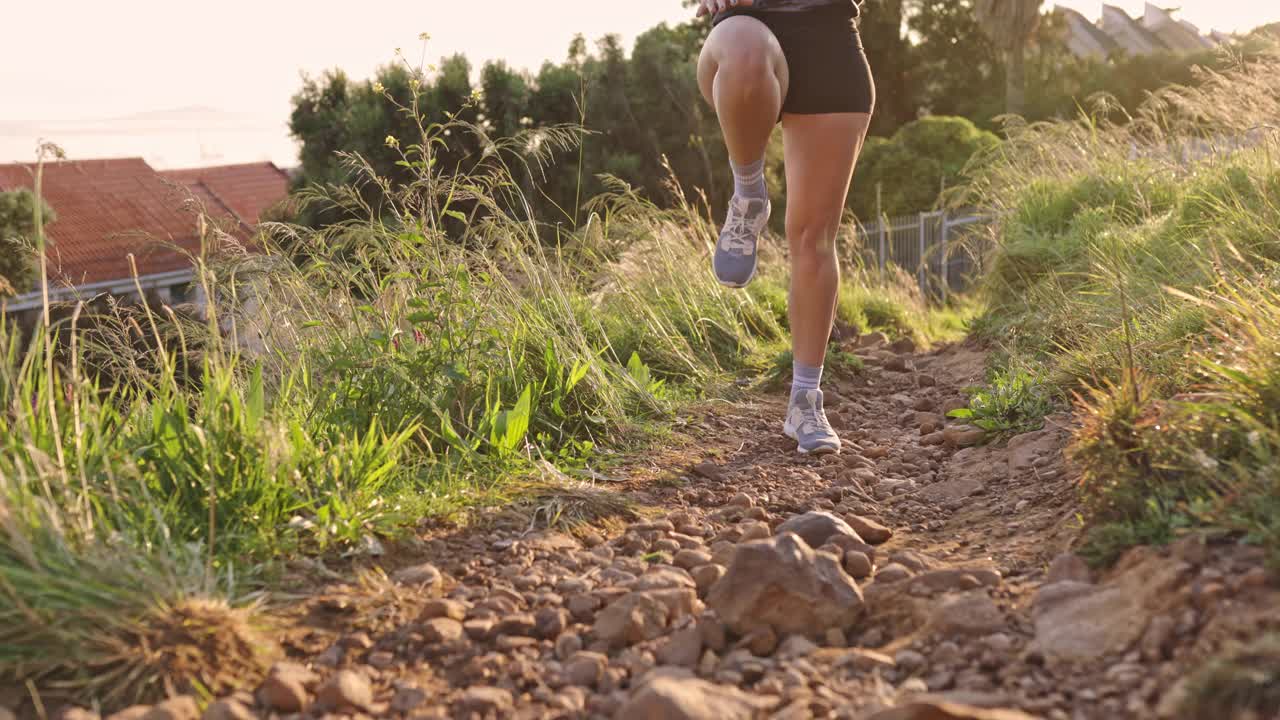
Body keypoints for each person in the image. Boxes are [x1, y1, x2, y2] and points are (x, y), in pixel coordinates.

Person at [696, 0, 874, 455]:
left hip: (829, 39)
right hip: (743, 35)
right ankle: (749, 193)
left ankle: (804, 402)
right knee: (745, 45)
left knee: (813, 238)